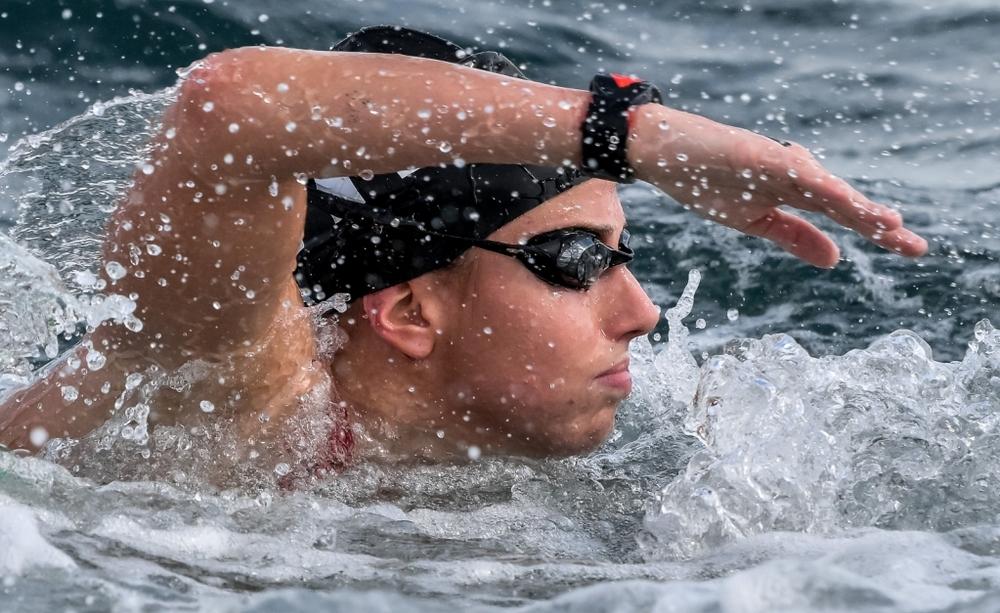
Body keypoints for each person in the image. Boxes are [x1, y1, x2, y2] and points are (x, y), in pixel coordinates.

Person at [0, 27, 926, 481]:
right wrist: (625, 137)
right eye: (573, 259)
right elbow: (230, 111)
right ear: (407, 311)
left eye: (623, 253)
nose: (642, 312)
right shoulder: (226, 389)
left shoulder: (478, 462)